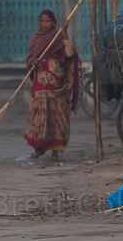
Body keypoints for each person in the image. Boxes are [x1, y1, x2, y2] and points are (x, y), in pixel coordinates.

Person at [24, 9, 81, 161]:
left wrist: (65, 32)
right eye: (42, 21)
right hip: (41, 82)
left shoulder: (59, 35)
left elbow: (69, 54)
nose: (44, 24)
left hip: (57, 83)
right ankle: (38, 148)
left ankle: (55, 151)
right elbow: (29, 58)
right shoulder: (36, 37)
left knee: (57, 116)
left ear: (54, 22)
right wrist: (33, 62)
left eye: (48, 21)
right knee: (38, 114)